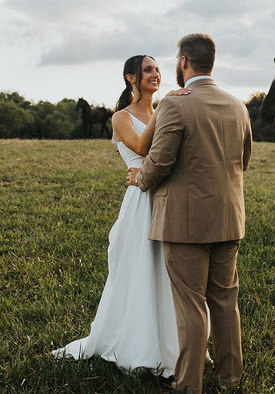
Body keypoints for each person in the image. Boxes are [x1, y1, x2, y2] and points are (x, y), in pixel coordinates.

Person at [129, 33, 253, 393]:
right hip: (229, 219)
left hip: (184, 225)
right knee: (225, 301)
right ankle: (230, 380)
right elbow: (242, 161)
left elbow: (160, 162)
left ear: (183, 61)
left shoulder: (175, 105)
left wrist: (141, 177)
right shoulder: (238, 106)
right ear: (210, 62)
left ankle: (188, 386)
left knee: (191, 308)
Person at [52, 54, 188, 379]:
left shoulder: (162, 112)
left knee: (167, 271)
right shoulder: (120, 117)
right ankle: (135, 344)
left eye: (157, 69)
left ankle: (170, 343)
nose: (156, 74)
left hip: (168, 198)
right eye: (148, 70)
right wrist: (168, 109)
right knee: (139, 268)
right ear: (131, 78)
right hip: (141, 201)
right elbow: (143, 149)